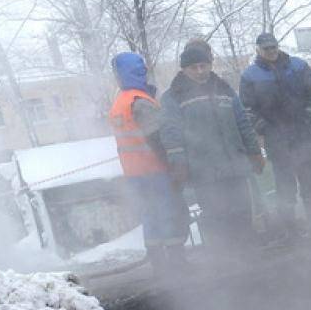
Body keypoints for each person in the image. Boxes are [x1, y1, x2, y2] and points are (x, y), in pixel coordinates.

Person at [160, 39, 265, 251]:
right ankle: (224, 260)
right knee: (217, 216)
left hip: (234, 166)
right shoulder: (174, 96)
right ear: (184, 69)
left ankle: (249, 256)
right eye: (194, 67)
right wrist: (178, 164)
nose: (200, 71)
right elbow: (171, 134)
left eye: (203, 66)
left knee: (242, 212)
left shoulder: (224, 89)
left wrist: (254, 152)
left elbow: (242, 122)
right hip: (204, 171)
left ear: (210, 64)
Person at [108, 52, 191, 272]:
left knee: (150, 216)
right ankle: (177, 263)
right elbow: (156, 137)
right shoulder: (139, 101)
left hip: (134, 174)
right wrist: (174, 164)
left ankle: (159, 265)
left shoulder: (120, 102)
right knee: (168, 213)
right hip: (155, 170)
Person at [238, 32, 311, 238]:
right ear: (258, 50)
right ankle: (291, 230)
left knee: (310, 181)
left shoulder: (298, 66)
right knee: (285, 185)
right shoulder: (250, 76)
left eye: (273, 47)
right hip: (276, 140)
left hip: (303, 134)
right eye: (266, 48)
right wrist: (264, 129)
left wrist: (309, 117)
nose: (271, 51)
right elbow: (247, 109)